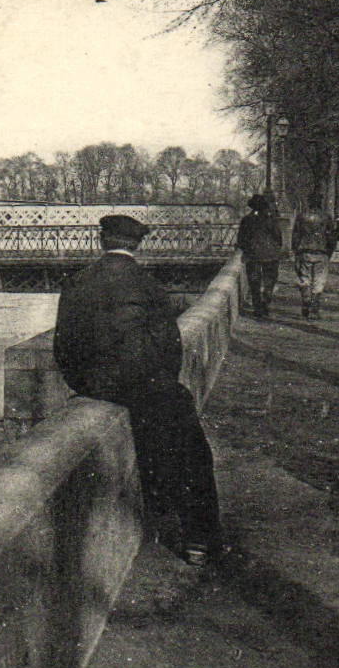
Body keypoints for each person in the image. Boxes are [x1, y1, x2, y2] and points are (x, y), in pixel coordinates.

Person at [54, 214, 223, 566]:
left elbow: (64, 346)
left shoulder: (77, 282)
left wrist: (87, 382)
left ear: (102, 240)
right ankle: (198, 538)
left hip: (95, 385)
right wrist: (156, 380)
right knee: (192, 448)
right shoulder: (148, 285)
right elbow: (169, 343)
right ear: (138, 244)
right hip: (145, 384)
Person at [235, 193, 284, 319]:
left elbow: (241, 239)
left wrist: (245, 249)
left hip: (253, 255)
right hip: (270, 255)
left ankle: (258, 308)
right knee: (270, 280)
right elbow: (278, 236)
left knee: (254, 282)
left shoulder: (246, 220)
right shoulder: (271, 219)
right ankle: (265, 302)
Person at [291, 199, 338, 319]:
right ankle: (315, 306)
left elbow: (296, 234)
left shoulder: (301, 216)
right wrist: (330, 251)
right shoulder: (326, 217)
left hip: (305, 250)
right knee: (319, 280)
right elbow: (331, 236)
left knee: (304, 277)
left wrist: (295, 250)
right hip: (321, 251)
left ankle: (306, 298)